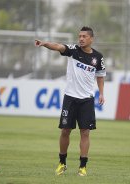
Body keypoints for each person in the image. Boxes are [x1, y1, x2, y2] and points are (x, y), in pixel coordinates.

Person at [35, 26, 106, 176]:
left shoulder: (98, 58)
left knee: (85, 132)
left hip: (87, 99)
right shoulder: (73, 50)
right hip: (70, 98)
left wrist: (101, 93)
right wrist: (45, 43)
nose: (80, 38)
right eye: (79, 36)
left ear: (91, 39)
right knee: (65, 131)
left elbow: (100, 75)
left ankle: (83, 166)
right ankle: (62, 163)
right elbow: (58, 46)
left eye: (84, 36)